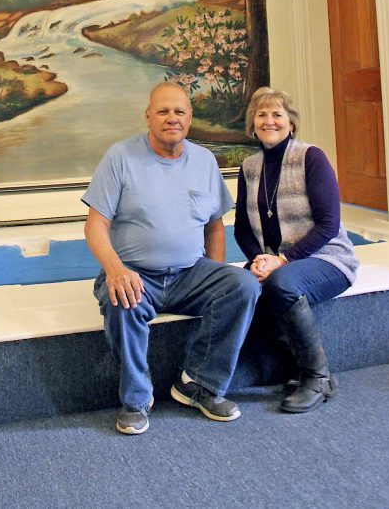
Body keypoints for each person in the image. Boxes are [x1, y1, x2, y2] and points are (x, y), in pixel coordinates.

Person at [82, 81, 260, 435]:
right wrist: (115, 270)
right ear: (148, 116)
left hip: (190, 273)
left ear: (190, 118)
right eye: (163, 111)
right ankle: (136, 400)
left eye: (179, 111)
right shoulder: (120, 157)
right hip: (136, 274)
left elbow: (214, 226)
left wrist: (215, 274)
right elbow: (95, 225)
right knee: (121, 299)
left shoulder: (204, 161)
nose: (171, 118)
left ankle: (199, 384)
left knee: (243, 285)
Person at [234, 86, 359, 414]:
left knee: (282, 284)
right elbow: (242, 228)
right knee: (237, 286)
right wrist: (258, 260)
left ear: (291, 123)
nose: (269, 121)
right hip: (276, 262)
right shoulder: (249, 167)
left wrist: (282, 260)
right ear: (252, 124)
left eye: (277, 114)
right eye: (261, 114)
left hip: (326, 258)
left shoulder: (310, 157)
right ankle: (294, 368)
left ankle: (318, 377)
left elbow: (329, 224)